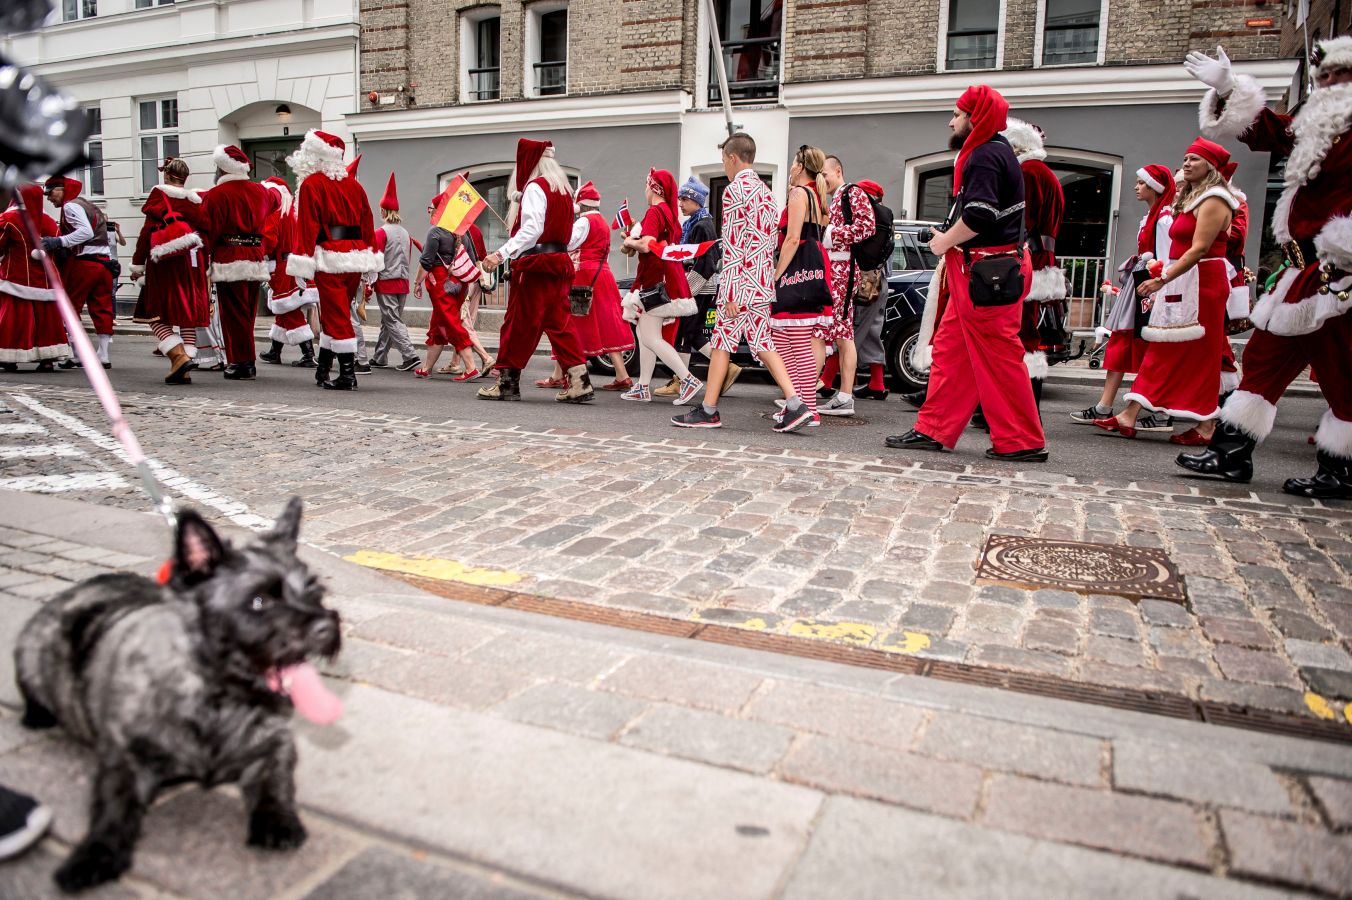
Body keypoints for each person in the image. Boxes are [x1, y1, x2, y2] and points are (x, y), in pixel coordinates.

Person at [1178, 40, 1352, 498]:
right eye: (1323, 78)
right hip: (1301, 274)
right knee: (1263, 359)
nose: (1328, 85)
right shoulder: (1323, 128)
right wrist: (1231, 88)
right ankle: (1231, 453)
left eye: (1340, 76)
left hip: (1339, 272)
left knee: (1342, 371)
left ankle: (1342, 469)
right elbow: (1275, 132)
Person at [886, 85, 1048, 462]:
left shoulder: (986, 155)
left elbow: (980, 215)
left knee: (999, 357)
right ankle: (933, 428)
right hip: (981, 269)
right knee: (952, 352)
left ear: (975, 119)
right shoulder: (994, 151)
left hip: (986, 271)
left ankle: (1023, 440)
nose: (951, 120)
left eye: (957, 114)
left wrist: (943, 243)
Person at [1093, 138, 1237, 443]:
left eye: (1194, 159)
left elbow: (1199, 249)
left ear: (1211, 167)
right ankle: (1130, 413)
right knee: (1163, 348)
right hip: (1184, 280)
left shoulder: (1215, 199)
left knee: (1203, 354)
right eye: (1185, 158)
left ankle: (1207, 424)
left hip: (1203, 282)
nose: (1186, 163)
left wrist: (1162, 278)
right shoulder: (1192, 199)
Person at [672, 132, 807, 430]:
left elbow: (733, 246)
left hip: (739, 285)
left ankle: (709, 410)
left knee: (723, 342)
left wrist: (731, 292)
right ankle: (795, 404)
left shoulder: (735, 191)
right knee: (760, 343)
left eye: (724, 160)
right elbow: (769, 241)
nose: (724, 166)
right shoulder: (766, 191)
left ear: (733, 158)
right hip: (760, 283)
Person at [479, 138, 593, 403]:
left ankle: (507, 383)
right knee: (560, 325)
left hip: (536, 266)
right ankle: (580, 381)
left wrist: (500, 253)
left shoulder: (535, 187)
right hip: (558, 264)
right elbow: (570, 237)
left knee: (518, 324)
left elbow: (532, 230)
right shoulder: (564, 190)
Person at [1072, 165, 1176, 430]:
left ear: (1154, 187)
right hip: (1140, 284)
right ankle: (1107, 405)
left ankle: (1158, 409)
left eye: (1141, 183)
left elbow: (1165, 261)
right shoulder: (1153, 217)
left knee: (1149, 348)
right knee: (1121, 341)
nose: (1136, 187)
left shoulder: (1164, 219)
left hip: (1148, 287)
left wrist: (1157, 292)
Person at [285, 130, 383, 391]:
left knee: (337, 316)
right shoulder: (354, 185)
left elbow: (307, 226)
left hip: (329, 256)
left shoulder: (311, 185)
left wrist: (301, 263)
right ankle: (323, 368)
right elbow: (367, 221)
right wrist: (372, 258)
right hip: (355, 256)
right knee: (333, 313)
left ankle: (348, 375)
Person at [617, 168, 702, 404]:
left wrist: (629, 240)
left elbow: (648, 245)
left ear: (653, 187)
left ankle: (687, 379)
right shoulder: (667, 212)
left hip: (655, 279)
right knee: (643, 332)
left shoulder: (655, 210)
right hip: (662, 276)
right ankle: (643, 386)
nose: (645, 190)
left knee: (650, 337)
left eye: (647, 185)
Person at [128, 157, 210, 384]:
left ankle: (178, 355)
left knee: (152, 312)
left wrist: (137, 264)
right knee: (188, 316)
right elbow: (207, 233)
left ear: (166, 175)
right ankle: (184, 370)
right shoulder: (195, 201)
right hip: (194, 260)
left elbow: (146, 235)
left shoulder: (160, 196)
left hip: (165, 262)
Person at [769, 145, 835, 427]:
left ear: (799, 166)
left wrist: (776, 275)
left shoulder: (799, 193)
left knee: (795, 343)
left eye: (793, 162)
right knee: (787, 341)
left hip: (797, 269)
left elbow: (793, 239)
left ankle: (807, 407)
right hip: (812, 268)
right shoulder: (817, 196)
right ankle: (798, 403)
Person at [1003, 118, 1065, 411]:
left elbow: (1021, 221)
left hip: (1029, 262)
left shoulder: (1028, 172)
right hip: (1041, 261)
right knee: (1025, 333)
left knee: (1023, 335)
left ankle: (1024, 407)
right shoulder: (1043, 172)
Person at [200, 145, 276, 380]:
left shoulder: (216, 194)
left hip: (229, 257)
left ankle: (242, 362)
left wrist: (206, 260)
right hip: (254, 256)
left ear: (222, 168)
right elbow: (275, 200)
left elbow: (207, 230)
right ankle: (242, 359)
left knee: (233, 314)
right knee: (248, 312)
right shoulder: (260, 191)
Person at [657, 176, 736, 399]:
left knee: (684, 332)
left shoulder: (702, 226)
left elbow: (707, 262)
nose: (680, 203)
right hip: (701, 287)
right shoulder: (698, 223)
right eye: (679, 198)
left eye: (684, 199)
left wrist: (687, 289)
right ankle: (726, 367)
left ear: (696, 201)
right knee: (693, 333)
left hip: (699, 288)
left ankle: (681, 381)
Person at [816, 155, 878, 416]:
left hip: (844, 271)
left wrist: (831, 235)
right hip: (837, 271)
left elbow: (867, 227)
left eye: (825, 175)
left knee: (843, 334)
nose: (823, 181)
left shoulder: (852, 192)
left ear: (838, 171)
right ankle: (842, 395)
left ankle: (844, 396)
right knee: (841, 334)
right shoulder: (840, 196)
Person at [43, 176, 115, 369]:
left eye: (51, 193)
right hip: (105, 263)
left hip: (85, 263)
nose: (49, 198)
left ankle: (78, 354)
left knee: (70, 308)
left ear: (61, 189)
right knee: (102, 308)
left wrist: (59, 241)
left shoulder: (70, 206)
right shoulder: (88, 204)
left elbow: (86, 233)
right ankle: (103, 354)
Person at [569, 180, 634, 390]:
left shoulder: (582, 222)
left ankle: (566, 374)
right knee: (607, 323)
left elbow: (569, 244)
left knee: (574, 322)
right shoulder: (603, 223)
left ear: (580, 204)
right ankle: (622, 374)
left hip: (584, 276)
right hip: (603, 276)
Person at [0, 184, 67, 372]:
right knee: (47, 319)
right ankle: (47, 359)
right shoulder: (48, 220)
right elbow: (57, 241)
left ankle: (9, 357)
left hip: (17, 276)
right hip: (46, 278)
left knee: (14, 318)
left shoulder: (9, 218)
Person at [413, 205, 482, 380]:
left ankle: (471, 367)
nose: (429, 211)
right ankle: (427, 367)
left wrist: (417, 283)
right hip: (459, 284)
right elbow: (473, 260)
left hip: (441, 283)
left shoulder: (435, 232)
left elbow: (426, 261)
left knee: (451, 322)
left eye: (432, 208)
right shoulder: (463, 233)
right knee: (438, 323)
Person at [258, 176, 318, 368]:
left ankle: (309, 353)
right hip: (297, 263)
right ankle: (275, 351)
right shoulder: (293, 211)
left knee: (289, 310)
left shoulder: (275, 212)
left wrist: (258, 252)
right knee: (283, 309)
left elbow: (269, 240)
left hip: (282, 266)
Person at [367, 173, 423, 372]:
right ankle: (380, 356)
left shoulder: (380, 232)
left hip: (387, 282)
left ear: (382, 211)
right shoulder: (405, 233)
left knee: (391, 320)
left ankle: (410, 355)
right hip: (402, 283)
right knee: (388, 320)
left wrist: (368, 281)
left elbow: (375, 260)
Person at [851, 179, 892, 400]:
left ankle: (827, 381)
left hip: (863, 281)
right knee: (872, 332)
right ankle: (876, 383)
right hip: (880, 281)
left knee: (851, 331)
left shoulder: (864, 218)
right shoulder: (887, 217)